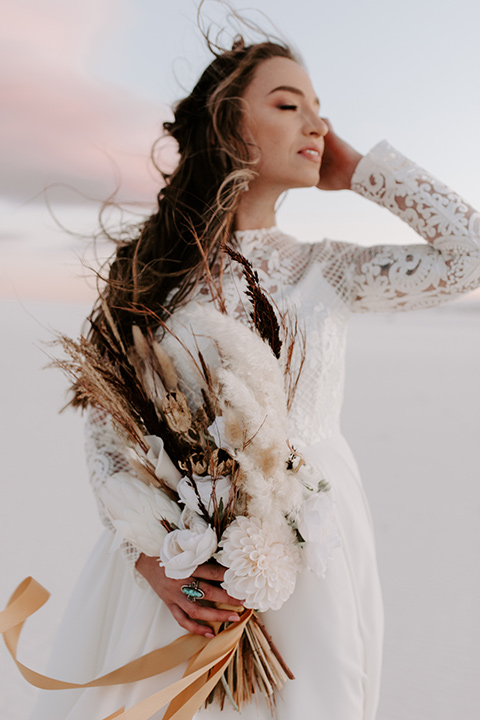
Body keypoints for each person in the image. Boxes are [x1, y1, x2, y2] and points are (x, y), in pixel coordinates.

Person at [30, 30, 480, 720]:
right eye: (286, 104)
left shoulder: (327, 269)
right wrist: (154, 561)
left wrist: (360, 170)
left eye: (319, 109)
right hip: (181, 567)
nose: (317, 124)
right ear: (228, 125)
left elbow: (470, 253)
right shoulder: (149, 274)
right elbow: (105, 433)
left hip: (311, 552)